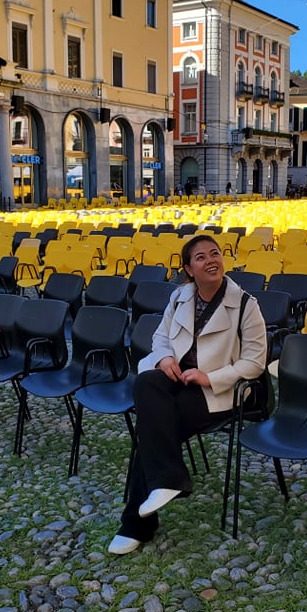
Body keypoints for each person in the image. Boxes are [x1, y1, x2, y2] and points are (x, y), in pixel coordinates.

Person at [108, 235, 267, 555]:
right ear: (189, 269)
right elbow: (160, 338)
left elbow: (254, 363)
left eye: (215, 253)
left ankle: (136, 523)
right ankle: (167, 480)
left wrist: (210, 377)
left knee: (153, 425)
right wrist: (165, 358)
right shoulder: (180, 297)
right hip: (180, 378)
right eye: (201, 257)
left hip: (221, 390)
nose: (211, 260)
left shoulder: (245, 305)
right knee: (146, 383)